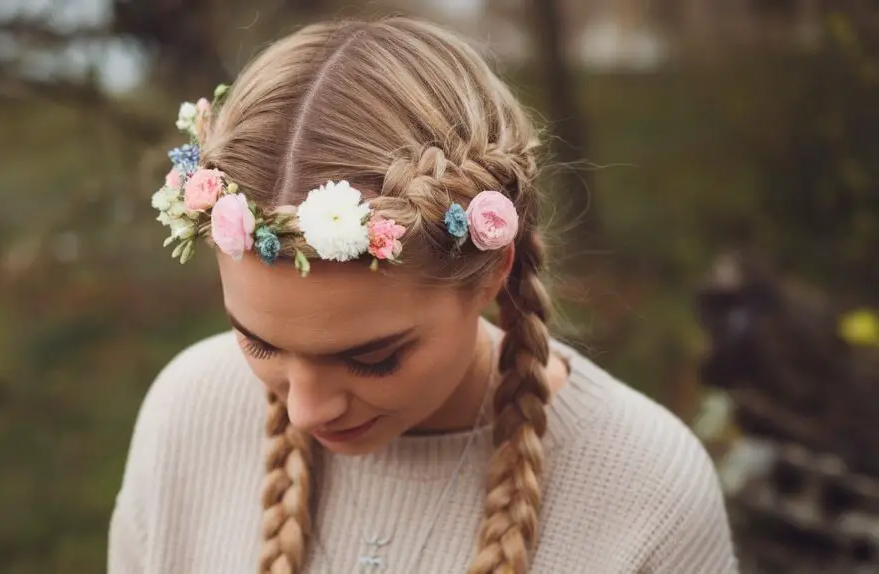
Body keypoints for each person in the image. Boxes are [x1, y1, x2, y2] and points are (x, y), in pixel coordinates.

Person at [110, 16, 737, 574]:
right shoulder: (187, 417)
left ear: (493, 272)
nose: (306, 410)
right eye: (258, 343)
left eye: (372, 358)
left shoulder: (647, 488)